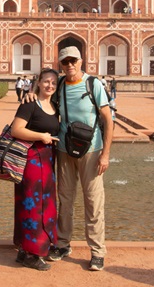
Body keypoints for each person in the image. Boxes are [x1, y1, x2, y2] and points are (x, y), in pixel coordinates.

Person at [49, 46, 114, 271]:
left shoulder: (93, 84)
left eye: (73, 61)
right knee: (65, 199)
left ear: (81, 61)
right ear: (61, 64)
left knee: (93, 201)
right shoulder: (59, 85)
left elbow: (108, 119)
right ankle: (63, 243)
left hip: (92, 150)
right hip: (65, 150)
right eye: (65, 62)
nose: (70, 65)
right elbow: (46, 103)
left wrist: (105, 154)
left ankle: (97, 251)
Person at [9, 68, 60, 271]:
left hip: (47, 161)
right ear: (38, 82)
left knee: (44, 204)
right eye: (46, 81)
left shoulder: (54, 106)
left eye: (54, 83)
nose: (50, 86)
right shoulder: (30, 104)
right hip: (31, 160)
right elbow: (16, 129)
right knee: (32, 205)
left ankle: (26, 249)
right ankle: (32, 253)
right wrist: (40, 136)